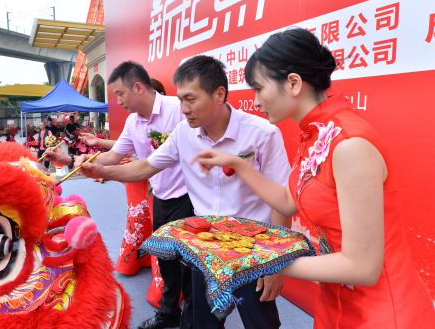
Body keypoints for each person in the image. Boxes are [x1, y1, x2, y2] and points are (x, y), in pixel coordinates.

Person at [191, 29, 435, 328]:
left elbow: (363, 267)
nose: (254, 101)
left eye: (259, 88)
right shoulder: (316, 136)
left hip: (382, 311)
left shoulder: (348, 145)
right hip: (337, 299)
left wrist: (264, 259)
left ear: (293, 83)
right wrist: (238, 165)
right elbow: (287, 201)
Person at [77, 56, 290, 329]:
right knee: (205, 322)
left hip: (252, 250)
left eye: (191, 99)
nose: (184, 109)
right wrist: (103, 171)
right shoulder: (183, 134)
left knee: (260, 322)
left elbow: (283, 203)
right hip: (204, 247)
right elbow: (145, 167)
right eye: (180, 100)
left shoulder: (262, 134)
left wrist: (275, 265)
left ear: (219, 94)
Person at [47, 61, 194, 329]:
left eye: (120, 94)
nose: (117, 101)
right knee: (167, 261)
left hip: (189, 198)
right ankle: (168, 314)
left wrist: (101, 169)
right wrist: (72, 160)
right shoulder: (133, 122)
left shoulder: (178, 109)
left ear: (138, 87)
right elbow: (113, 156)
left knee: (189, 266)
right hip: (160, 197)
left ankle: (192, 320)